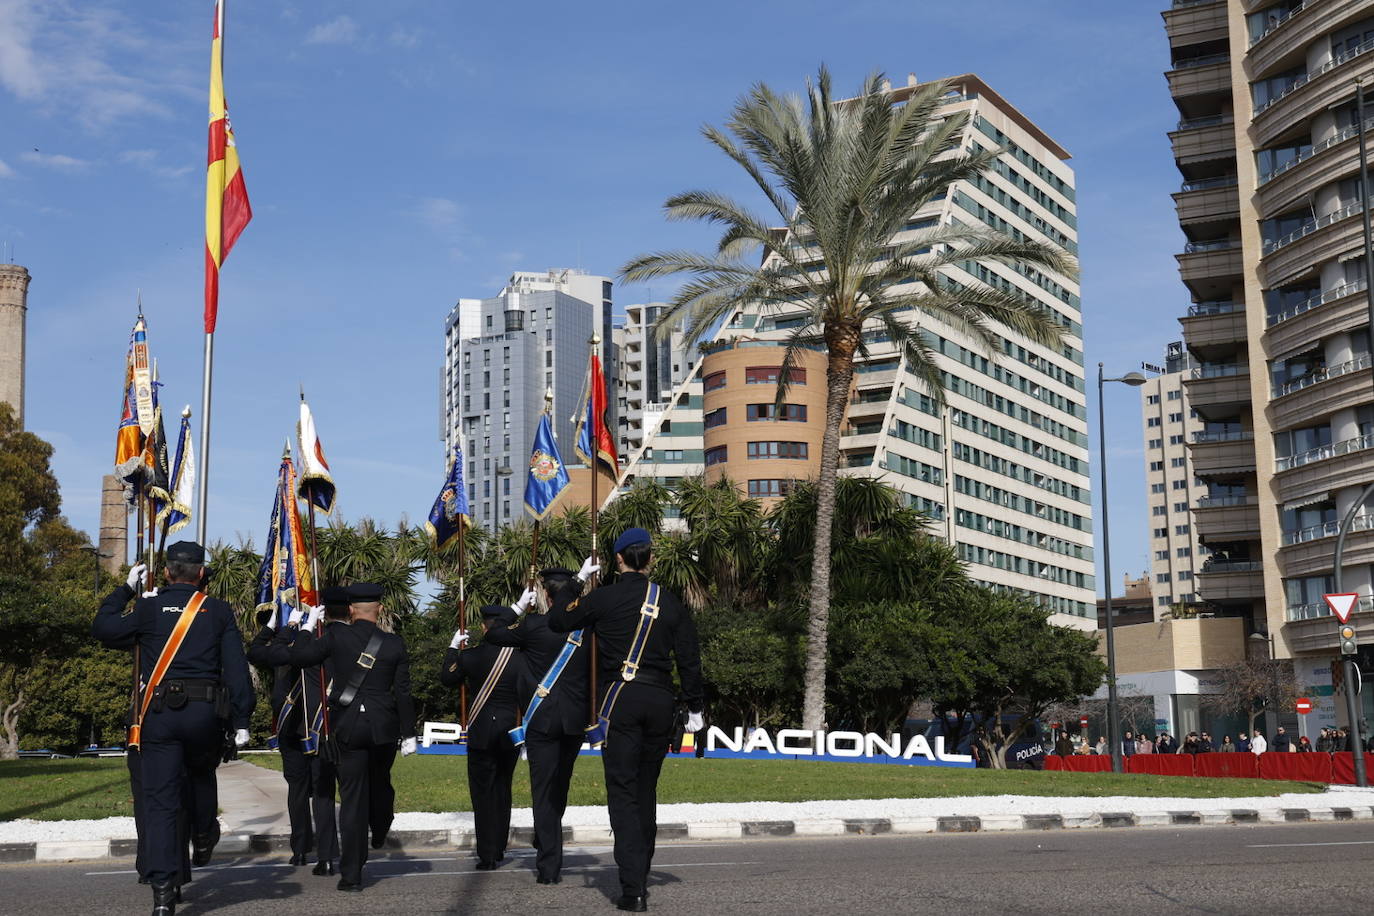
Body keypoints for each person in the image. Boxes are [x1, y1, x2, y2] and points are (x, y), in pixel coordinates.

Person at [91, 541, 254, 916]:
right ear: (200, 573)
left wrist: (127, 591)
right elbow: (235, 669)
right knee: (200, 778)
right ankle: (202, 832)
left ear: (165, 572)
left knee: (161, 803)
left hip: (159, 715)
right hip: (204, 713)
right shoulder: (217, 610)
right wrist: (242, 719)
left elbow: (103, 628)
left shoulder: (148, 608)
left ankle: (163, 893)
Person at [548, 529, 705, 913]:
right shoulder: (669, 602)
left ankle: (632, 886)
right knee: (646, 790)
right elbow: (689, 659)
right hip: (660, 701)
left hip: (620, 701)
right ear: (650, 559)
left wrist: (576, 581)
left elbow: (557, 621)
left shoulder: (604, 597)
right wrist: (697, 708)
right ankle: (642, 868)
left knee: (622, 790)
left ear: (617, 560)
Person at [287, 582, 416, 893]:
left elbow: (302, 657)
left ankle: (352, 875)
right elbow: (403, 693)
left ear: (350, 610)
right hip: (383, 727)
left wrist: (306, 628)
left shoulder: (334, 635)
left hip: (347, 727)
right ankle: (382, 821)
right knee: (380, 784)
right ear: (380, 609)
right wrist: (409, 733)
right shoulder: (394, 643)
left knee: (353, 801)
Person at [485, 568, 590, 883]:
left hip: (540, 719)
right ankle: (549, 836)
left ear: (545, 595)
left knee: (544, 791)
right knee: (559, 788)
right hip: (573, 720)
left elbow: (492, 634)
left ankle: (548, 864)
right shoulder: (588, 629)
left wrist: (518, 607)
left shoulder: (531, 625)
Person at [249, 586, 350, 875]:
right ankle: (325, 854)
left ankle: (301, 851)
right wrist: (295, 627)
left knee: (304, 790)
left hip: (303, 724)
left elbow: (259, 651)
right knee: (319, 791)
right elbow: (257, 655)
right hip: (312, 726)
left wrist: (283, 628)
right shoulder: (327, 641)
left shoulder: (295, 644)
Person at [439, 604, 523, 871]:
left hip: (481, 730)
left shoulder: (471, 656)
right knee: (502, 790)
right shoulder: (520, 657)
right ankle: (499, 847)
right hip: (510, 729)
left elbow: (447, 678)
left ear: (484, 628)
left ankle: (487, 854)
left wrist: (454, 648)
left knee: (482, 794)